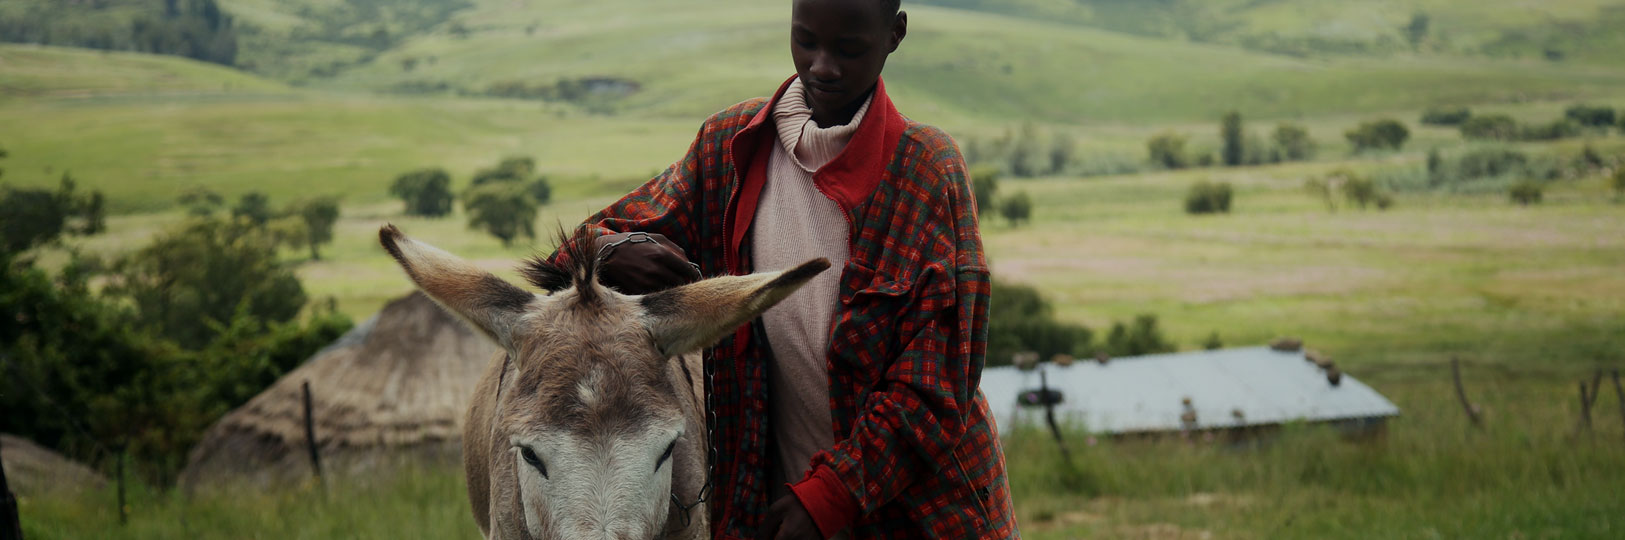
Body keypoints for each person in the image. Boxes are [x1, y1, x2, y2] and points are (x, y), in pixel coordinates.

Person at [552, 0, 1015, 537]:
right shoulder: (730, 148)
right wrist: (613, 251)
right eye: (806, 40)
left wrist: (831, 497)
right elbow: (576, 246)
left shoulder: (926, 171)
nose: (822, 66)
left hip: (921, 515)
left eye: (849, 49)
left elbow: (936, 387)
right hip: (766, 510)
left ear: (895, 33)